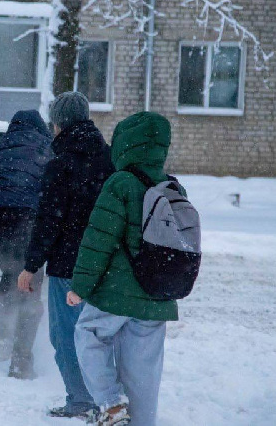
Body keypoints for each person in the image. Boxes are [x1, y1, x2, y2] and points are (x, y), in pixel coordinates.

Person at [68, 111, 179, 426]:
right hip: (158, 293)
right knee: (142, 371)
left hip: (118, 291)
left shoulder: (122, 182)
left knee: (88, 333)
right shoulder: (172, 187)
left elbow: (98, 240)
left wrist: (80, 286)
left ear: (125, 145)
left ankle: (110, 403)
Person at [18, 92, 115, 419]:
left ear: (58, 124)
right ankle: (107, 399)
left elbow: (49, 220)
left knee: (67, 336)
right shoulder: (111, 159)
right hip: (104, 265)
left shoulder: (60, 164)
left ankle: (81, 400)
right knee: (99, 337)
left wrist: (30, 266)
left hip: (68, 267)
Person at [0, 110, 53, 379]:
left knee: (10, 273)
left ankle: (1, 338)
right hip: (29, 222)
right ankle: (21, 360)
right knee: (30, 283)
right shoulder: (47, 150)